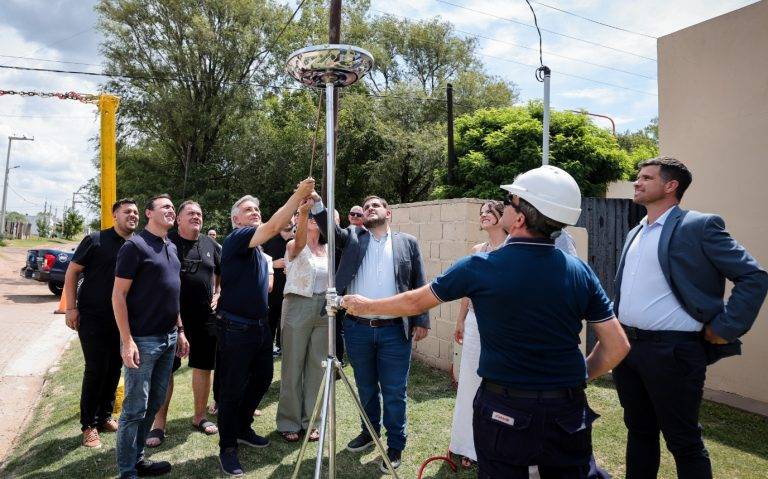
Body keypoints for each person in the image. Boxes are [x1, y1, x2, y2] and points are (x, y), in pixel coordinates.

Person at [343, 166, 631, 479]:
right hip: (568, 410)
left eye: (508, 201)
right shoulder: (580, 272)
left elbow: (415, 301)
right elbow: (617, 345)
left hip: (504, 412)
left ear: (519, 218)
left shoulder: (480, 267)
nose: (502, 206)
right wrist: (579, 376)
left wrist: (366, 305)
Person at [612, 157, 768, 479]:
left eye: (646, 177)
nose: (636, 182)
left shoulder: (699, 226)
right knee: (639, 431)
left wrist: (726, 327)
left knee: (683, 441)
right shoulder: (635, 232)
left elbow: (754, 277)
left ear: (671, 186)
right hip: (630, 350)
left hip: (674, 352)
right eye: (637, 177)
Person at [314, 193, 429, 473]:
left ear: (388, 213)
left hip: (394, 331)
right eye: (366, 207)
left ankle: (395, 446)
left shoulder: (407, 243)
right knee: (365, 388)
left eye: (376, 205)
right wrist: (318, 204)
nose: (369, 208)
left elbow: (418, 282)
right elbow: (330, 229)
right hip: (358, 330)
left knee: (394, 391)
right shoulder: (353, 237)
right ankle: (369, 432)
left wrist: (422, 319)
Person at [215, 178, 315, 476]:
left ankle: (242, 427)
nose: (254, 211)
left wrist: (305, 213)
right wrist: (298, 195)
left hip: (259, 327)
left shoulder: (259, 252)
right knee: (231, 389)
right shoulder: (237, 238)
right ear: (236, 219)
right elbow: (273, 227)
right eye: (248, 209)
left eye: (257, 208)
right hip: (235, 327)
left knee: (261, 379)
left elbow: (290, 247)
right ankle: (228, 446)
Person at [112, 194, 189, 479]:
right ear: (149, 213)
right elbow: (118, 295)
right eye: (165, 207)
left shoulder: (170, 245)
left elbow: (172, 292)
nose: (171, 210)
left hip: (169, 338)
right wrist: (127, 340)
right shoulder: (134, 246)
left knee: (155, 401)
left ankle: (138, 458)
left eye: (172, 206)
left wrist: (180, 331)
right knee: (134, 408)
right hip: (142, 341)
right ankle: (126, 471)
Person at [63, 198, 139, 448]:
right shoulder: (95, 240)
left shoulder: (137, 244)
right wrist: (71, 308)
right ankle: (88, 426)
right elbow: (72, 271)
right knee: (96, 369)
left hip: (123, 320)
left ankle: (105, 416)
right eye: (127, 211)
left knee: (114, 368)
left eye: (136, 212)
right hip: (93, 317)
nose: (133, 215)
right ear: (114, 215)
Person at [145, 200, 221, 447]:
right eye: (190, 213)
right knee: (166, 370)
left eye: (199, 213)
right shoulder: (167, 244)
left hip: (205, 318)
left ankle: (199, 417)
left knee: (203, 367)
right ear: (178, 219)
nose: (196, 217)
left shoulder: (210, 244)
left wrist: (219, 293)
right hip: (171, 318)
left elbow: (222, 271)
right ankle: (159, 425)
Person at [449, 200, 507, 468]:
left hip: (505, 326)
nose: (483, 216)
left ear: (501, 215)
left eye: (488, 212)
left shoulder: (513, 249)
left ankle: (499, 444)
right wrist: (461, 320)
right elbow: (467, 290)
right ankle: (466, 446)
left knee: (501, 384)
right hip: (474, 323)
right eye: (481, 213)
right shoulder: (477, 251)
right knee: (470, 383)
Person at [276, 199, 327, 442]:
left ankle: (312, 421)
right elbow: (298, 244)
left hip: (324, 309)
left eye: (317, 216)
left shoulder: (329, 249)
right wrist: (304, 210)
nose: (313, 219)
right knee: (292, 365)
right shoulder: (293, 245)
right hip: (298, 304)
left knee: (317, 367)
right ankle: (289, 421)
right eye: (307, 217)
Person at [262, 217, 295, 356]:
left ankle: (284, 347)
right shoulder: (269, 239)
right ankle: (268, 348)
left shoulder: (298, 240)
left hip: (292, 289)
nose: (287, 221)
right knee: (271, 320)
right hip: (272, 290)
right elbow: (258, 258)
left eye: (290, 218)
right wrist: (273, 264)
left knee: (288, 321)